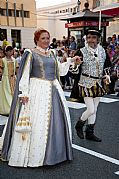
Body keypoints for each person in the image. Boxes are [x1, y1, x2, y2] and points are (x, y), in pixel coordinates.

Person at [1, 29, 81, 167]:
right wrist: (24, 94)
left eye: (48, 38)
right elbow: (25, 74)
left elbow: (60, 70)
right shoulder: (30, 53)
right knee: (38, 120)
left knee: (57, 120)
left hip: (54, 89)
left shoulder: (53, 53)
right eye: (43, 38)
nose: (46, 40)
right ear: (37, 39)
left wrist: (71, 61)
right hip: (37, 89)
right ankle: (36, 155)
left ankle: (56, 152)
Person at [74, 29, 111, 142]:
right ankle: (79, 125)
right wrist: (75, 64)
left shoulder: (103, 51)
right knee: (90, 109)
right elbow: (74, 70)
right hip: (85, 82)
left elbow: (106, 66)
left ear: (98, 39)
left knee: (95, 110)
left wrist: (107, 76)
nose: (91, 40)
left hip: (99, 83)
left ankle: (90, 133)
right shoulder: (81, 51)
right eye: (89, 37)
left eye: (93, 38)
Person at [0, 45, 19, 115]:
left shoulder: (14, 60)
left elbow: (17, 70)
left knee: (14, 94)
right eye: (9, 51)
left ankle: (14, 107)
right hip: (6, 80)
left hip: (13, 79)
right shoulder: (3, 60)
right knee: (7, 93)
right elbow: (1, 70)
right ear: (6, 52)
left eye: (12, 51)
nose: (11, 52)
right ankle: (8, 108)